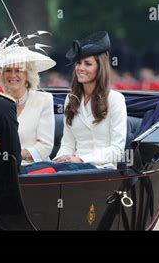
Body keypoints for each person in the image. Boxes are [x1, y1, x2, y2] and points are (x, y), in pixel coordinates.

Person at [24, 31, 127, 173]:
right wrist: (57, 161)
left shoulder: (115, 99)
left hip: (101, 168)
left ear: (100, 68)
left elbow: (117, 150)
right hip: (73, 167)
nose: (80, 68)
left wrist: (81, 159)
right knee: (28, 170)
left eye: (88, 64)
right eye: (78, 63)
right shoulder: (71, 99)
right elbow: (67, 144)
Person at [0, 45, 56, 163]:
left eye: (18, 70)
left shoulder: (44, 100)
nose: (12, 75)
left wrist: (15, 155)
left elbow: (45, 147)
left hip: (35, 169)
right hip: (4, 169)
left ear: (28, 74)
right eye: (8, 70)